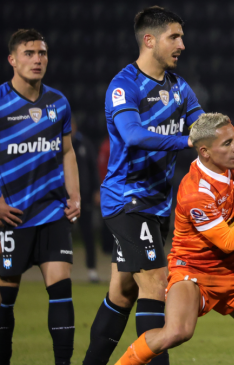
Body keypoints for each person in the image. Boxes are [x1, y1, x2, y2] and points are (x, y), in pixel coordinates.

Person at [114, 113, 234, 364]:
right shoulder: (195, 191)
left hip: (231, 270)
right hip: (193, 270)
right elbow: (228, 241)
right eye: (227, 144)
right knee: (177, 332)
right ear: (205, 151)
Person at [83, 7, 203, 365]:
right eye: (174, 37)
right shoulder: (124, 85)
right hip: (126, 200)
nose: (182, 44)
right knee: (155, 282)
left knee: (122, 291)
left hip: (155, 205)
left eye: (181, 36)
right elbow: (133, 135)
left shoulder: (180, 89)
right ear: (149, 40)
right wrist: (187, 142)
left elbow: (206, 128)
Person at [0, 29, 81, 365]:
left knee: (61, 291)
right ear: (13, 59)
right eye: (29, 53)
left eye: (42, 53)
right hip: (12, 215)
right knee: (6, 300)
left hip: (51, 212)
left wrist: (74, 194)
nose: (37, 59)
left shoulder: (57, 102)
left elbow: (67, 151)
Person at [71, 117, 100, 282]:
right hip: (65, 198)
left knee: (88, 234)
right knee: (62, 235)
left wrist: (97, 190)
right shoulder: (57, 144)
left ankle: (92, 270)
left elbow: (93, 168)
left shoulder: (84, 144)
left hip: (85, 196)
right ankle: (60, 270)